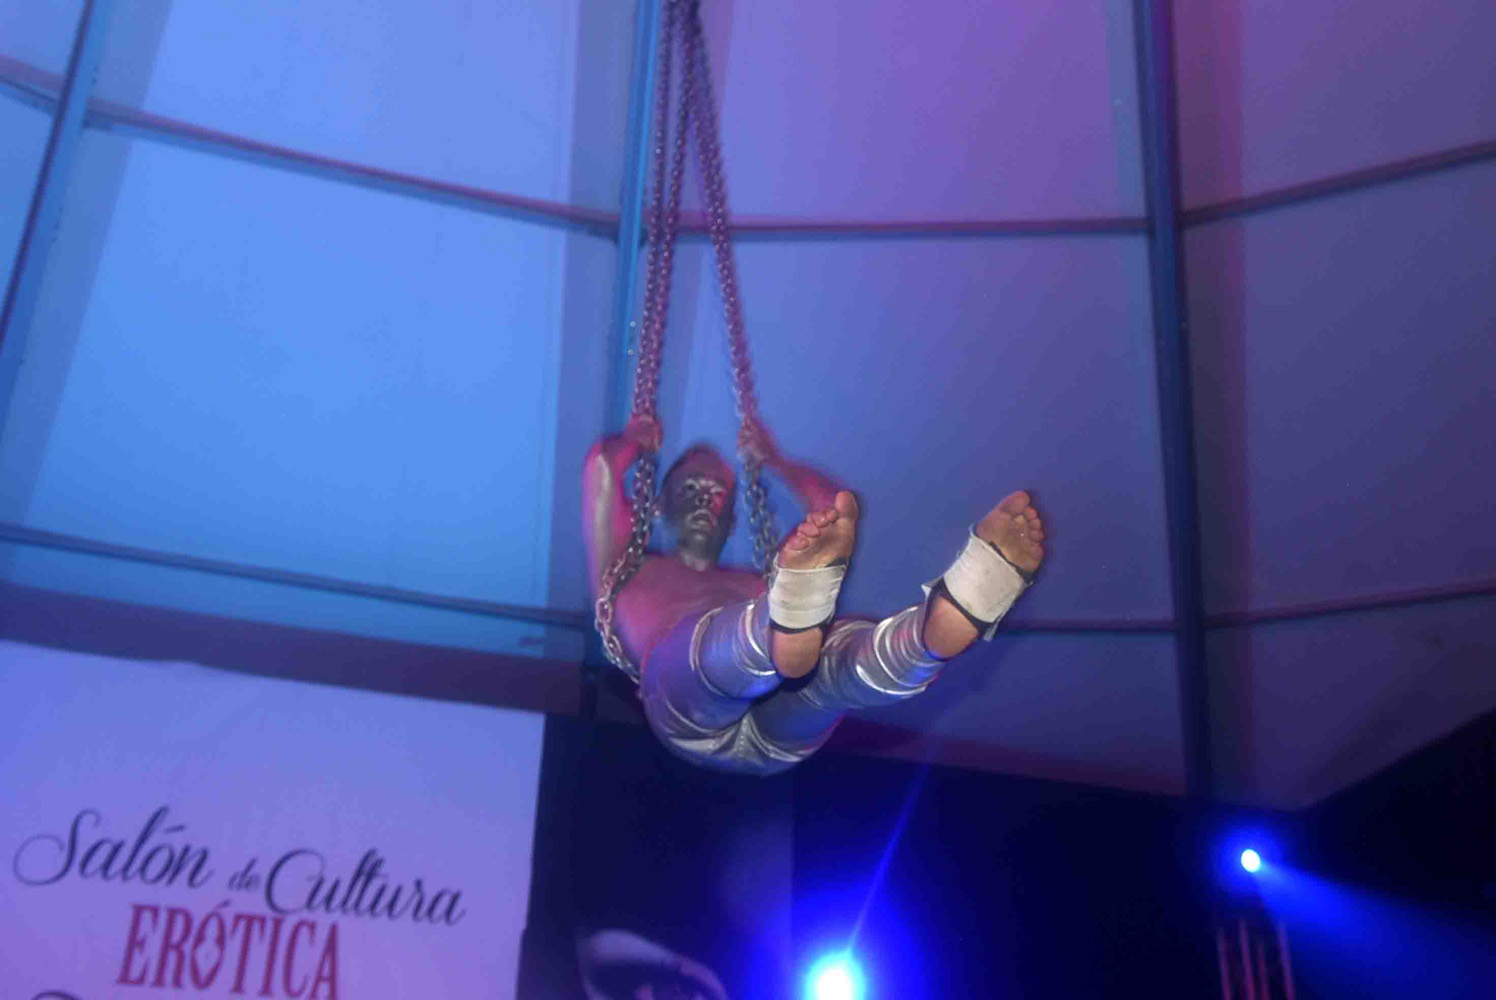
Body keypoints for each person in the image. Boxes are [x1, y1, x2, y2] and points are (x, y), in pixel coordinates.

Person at [583, 414, 1045, 775]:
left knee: (837, 656)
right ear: (657, 507)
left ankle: (927, 637)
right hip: (688, 707)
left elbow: (833, 508)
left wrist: (773, 458)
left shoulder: (762, 579)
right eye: (690, 487)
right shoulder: (627, 564)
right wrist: (634, 440)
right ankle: (778, 635)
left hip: (785, 723)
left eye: (718, 490)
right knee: (723, 640)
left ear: (732, 518)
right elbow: (601, 466)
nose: (706, 499)